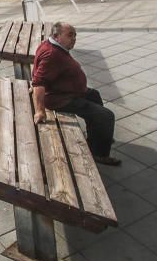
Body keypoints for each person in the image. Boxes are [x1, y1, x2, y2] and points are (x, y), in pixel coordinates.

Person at [31, 21, 121, 166]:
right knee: (106, 116)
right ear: (56, 35)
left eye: (75, 35)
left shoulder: (50, 45)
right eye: (70, 35)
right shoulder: (52, 54)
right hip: (60, 98)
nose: (74, 39)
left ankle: (98, 135)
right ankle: (99, 154)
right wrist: (40, 111)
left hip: (67, 90)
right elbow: (39, 82)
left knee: (94, 95)